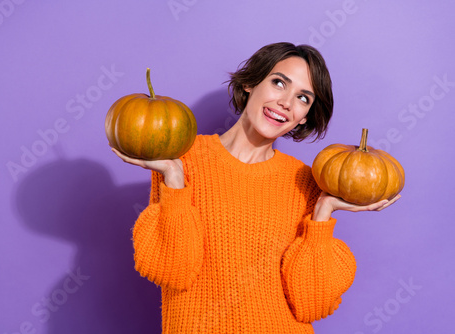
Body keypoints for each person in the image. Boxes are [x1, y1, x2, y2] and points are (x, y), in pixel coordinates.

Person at [111, 42, 400, 333]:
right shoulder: (183, 157)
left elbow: (311, 303)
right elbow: (172, 271)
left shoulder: (307, 181)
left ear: (305, 116)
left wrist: (323, 212)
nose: (287, 102)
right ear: (250, 83)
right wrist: (173, 179)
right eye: (279, 83)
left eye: (303, 98)